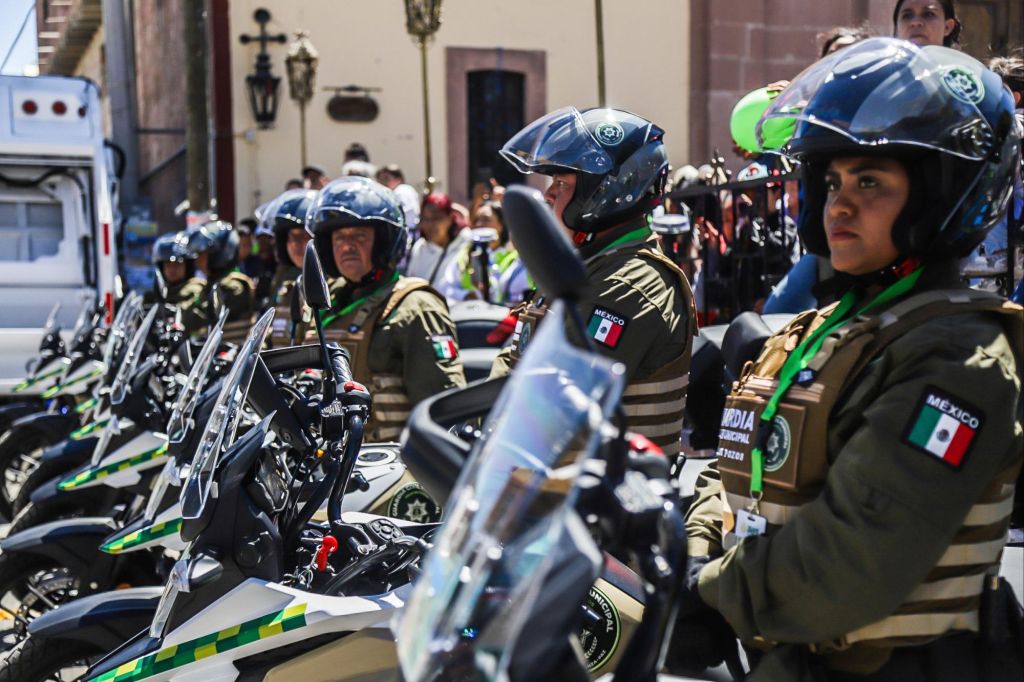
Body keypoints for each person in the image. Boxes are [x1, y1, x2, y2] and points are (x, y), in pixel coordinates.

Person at [678, 39, 1022, 681]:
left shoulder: (960, 357)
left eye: (870, 182)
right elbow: (736, 467)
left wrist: (710, 591)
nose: (838, 203)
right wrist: (695, 549)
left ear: (938, 194)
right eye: (831, 180)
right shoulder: (818, 330)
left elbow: (850, 562)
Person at [492, 106, 698, 457]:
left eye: (561, 183)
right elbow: (515, 370)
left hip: (609, 488)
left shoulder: (630, 284)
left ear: (606, 192)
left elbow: (552, 413)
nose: (548, 194)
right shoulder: (590, 267)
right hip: (551, 480)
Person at [304, 176, 466, 442]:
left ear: (384, 243)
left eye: (360, 236)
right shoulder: (323, 300)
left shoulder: (415, 307)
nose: (347, 245)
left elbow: (444, 411)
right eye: (339, 237)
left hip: (389, 462)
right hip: (327, 459)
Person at [437, 200, 529, 305]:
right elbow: (445, 287)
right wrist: (466, 295)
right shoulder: (465, 253)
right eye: (477, 220)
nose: (479, 224)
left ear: (501, 224)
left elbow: (515, 297)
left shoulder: (513, 258)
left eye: (486, 219)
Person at [184, 220, 257, 344]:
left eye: (202, 254)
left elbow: (205, 315)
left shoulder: (236, 286)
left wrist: (184, 312)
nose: (198, 260)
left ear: (220, 254)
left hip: (234, 353)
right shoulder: (211, 283)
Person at [263, 188, 317, 347]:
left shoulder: (332, 285)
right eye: (292, 237)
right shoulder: (286, 282)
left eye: (304, 236)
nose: (296, 245)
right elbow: (269, 329)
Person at [405, 192, 472, 288]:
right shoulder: (420, 248)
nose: (430, 224)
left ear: (450, 218)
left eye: (436, 218)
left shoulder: (466, 243)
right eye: (425, 219)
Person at [149, 232, 205, 327]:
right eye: (167, 264)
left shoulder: (197, 289)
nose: (172, 269)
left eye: (178, 263)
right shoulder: (157, 293)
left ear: (188, 266)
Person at [893, 0, 961, 48]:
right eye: (907, 16)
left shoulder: (960, 64)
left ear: (947, 27)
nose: (916, 22)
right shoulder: (886, 63)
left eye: (928, 14)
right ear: (897, 29)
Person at [376, 163, 421, 230]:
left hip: (407, 231)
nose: (383, 182)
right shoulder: (402, 190)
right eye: (380, 180)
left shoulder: (401, 190)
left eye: (386, 178)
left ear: (398, 179)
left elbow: (405, 213)